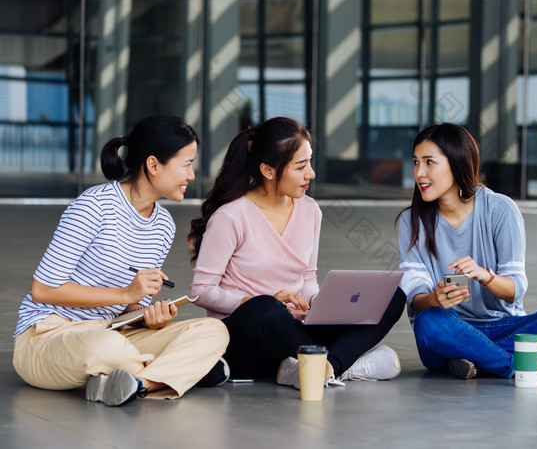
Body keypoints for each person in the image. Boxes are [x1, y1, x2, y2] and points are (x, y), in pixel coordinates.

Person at [12, 116, 230, 407]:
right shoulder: (93, 206)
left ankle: (139, 383)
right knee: (108, 349)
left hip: (111, 329)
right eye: (186, 164)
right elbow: (43, 290)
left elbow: (127, 307)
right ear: (153, 165)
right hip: (49, 335)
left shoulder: (162, 225)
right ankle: (182, 371)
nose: (191, 175)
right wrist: (126, 293)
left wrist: (149, 316)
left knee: (213, 331)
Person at [188, 116, 405, 388]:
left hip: (295, 331)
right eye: (301, 166)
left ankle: (327, 367)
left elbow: (307, 279)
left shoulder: (310, 210)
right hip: (246, 338)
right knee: (266, 308)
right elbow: (201, 290)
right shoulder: (231, 217)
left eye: (310, 163)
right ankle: (341, 365)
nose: (311, 174)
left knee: (390, 296)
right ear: (268, 170)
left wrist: (318, 302)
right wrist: (257, 301)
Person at [397, 123, 537, 380]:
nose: (419, 173)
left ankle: (477, 360)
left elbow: (515, 290)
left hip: (504, 325)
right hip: (450, 328)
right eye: (415, 162)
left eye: (429, 162)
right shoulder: (410, 222)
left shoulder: (500, 210)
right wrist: (434, 299)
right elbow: (416, 299)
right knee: (428, 324)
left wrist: (484, 275)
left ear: (457, 163)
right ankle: (526, 366)